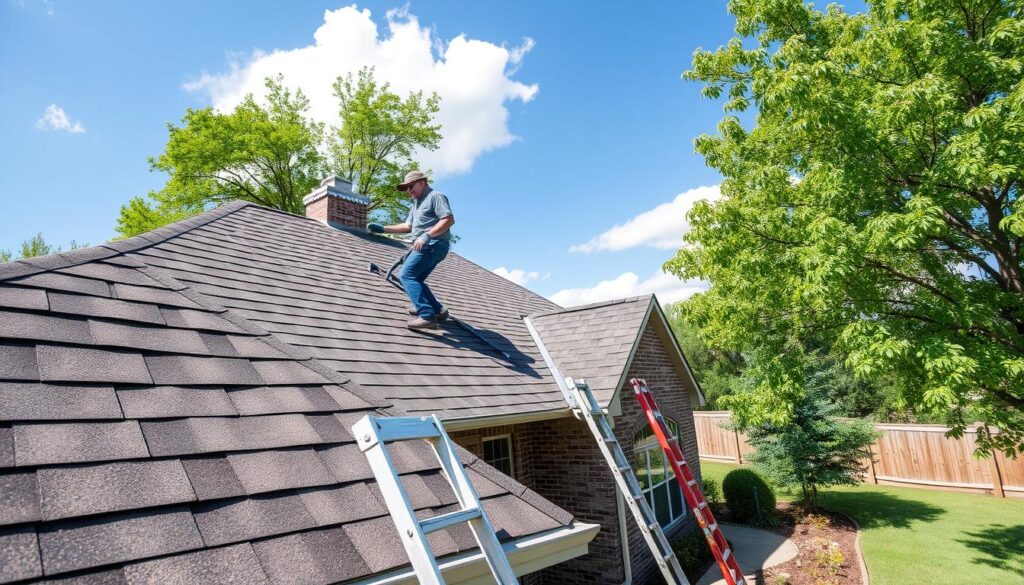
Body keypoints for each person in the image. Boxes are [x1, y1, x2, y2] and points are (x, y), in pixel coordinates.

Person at [367, 171, 455, 330]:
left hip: (433, 244)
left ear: (422, 182)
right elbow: (408, 227)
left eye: (411, 186)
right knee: (416, 279)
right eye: (406, 188)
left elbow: (448, 220)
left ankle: (426, 315)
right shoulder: (416, 204)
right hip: (429, 245)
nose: (408, 191)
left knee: (406, 274)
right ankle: (438, 310)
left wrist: (426, 236)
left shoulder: (436, 196)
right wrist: (382, 228)